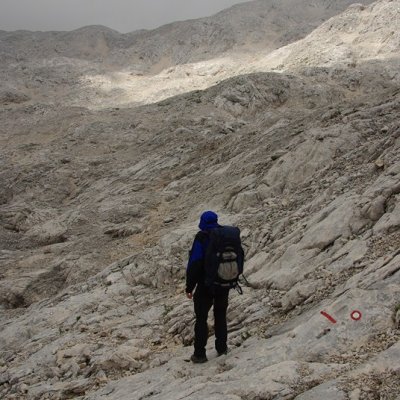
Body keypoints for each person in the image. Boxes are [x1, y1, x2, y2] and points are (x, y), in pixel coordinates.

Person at [186, 211, 231, 363]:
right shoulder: (225, 234)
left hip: (205, 285)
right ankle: (222, 348)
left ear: (203, 222)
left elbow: (195, 263)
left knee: (201, 318)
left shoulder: (202, 237)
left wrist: (189, 287)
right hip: (223, 282)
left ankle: (199, 354)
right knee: (220, 315)